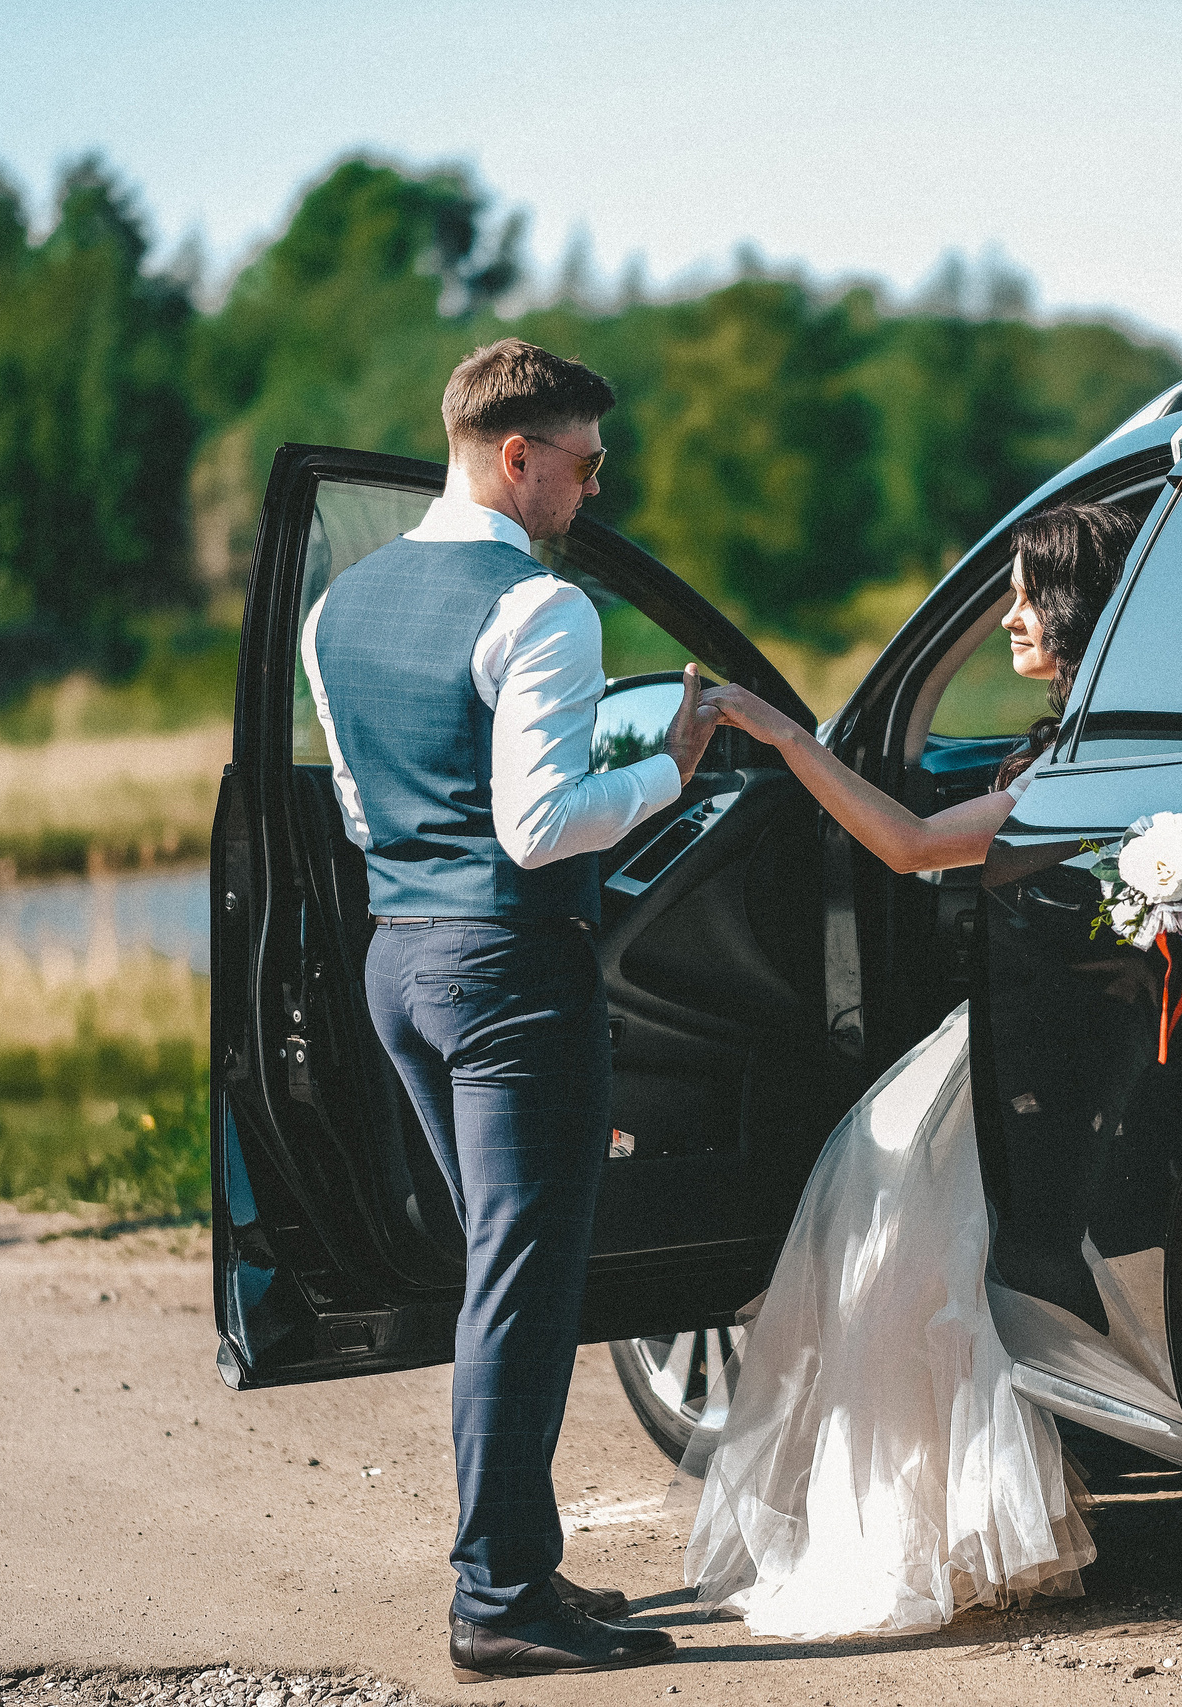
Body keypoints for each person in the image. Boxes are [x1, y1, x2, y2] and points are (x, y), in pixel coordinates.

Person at [303, 339, 712, 1682]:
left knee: (505, 1276)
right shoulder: (541, 611)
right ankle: (498, 1597)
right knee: (522, 1289)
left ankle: (520, 1565)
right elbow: (541, 827)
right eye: (585, 465)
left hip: (398, 966)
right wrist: (668, 769)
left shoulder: (337, 609)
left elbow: (364, 805)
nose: (594, 491)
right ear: (517, 456)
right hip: (509, 976)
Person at [681, 500, 1141, 1638]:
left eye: (1030, 599)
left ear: (1081, 608)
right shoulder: (1093, 736)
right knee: (902, 1250)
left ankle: (934, 1537)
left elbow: (911, 846)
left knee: (901, 1259)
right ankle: (957, 1524)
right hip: (1027, 1032)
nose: (1009, 623)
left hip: (1035, 1046)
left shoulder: (1093, 755)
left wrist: (792, 743)